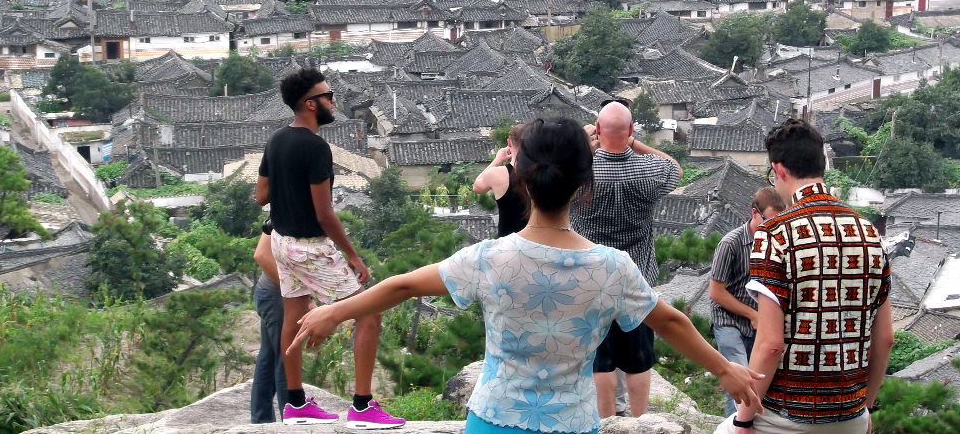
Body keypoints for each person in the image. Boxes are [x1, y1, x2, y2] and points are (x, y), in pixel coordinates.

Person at [288, 116, 764, 434]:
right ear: (586, 183)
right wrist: (725, 369)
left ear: (520, 173)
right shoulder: (613, 267)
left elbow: (404, 285)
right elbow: (673, 323)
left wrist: (335, 310)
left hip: (494, 417)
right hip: (572, 421)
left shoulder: (488, 257)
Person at [717, 118, 894, 434]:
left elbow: (770, 344)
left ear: (779, 170)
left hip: (785, 416)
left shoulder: (775, 234)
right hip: (852, 415)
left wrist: (744, 419)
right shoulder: (869, 234)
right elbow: (885, 338)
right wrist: (864, 411)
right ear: (822, 164)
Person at [256, 67, 404, 429]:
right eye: (327, 95)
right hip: (311, 247)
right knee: (369, 312)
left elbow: (262, 195)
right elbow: (324, 214)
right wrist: (352, 254)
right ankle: (363, 406)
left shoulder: (277, 139)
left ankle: (294, 404)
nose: (333, 101)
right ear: (310, 104)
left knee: (294, 317)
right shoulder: (316, 147)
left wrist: (288, 190)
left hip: (280, 242)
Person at [572, 100, 682, 418]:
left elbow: (552, 168)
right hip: (638, 277)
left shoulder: (581, 175)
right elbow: (674, 167)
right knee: (638, 356)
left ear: (599, 128)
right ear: (631, 130)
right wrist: (634, 142)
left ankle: (606, 422)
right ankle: (639, 421)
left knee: (601, 357)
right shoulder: (650, 171)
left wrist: (583, 140)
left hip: (591, 278)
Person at [708, 187, 785, 417]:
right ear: (754, 213)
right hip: (728, 319)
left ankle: (750, 423)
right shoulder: (730, 243)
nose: (774, 227)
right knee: (739, 374)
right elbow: (716, 292)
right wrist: (752, 315)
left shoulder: (776, 245)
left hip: (759, 323)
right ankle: (736, 425)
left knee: (760, 376)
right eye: (769, 220)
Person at [251, 230, 291, 424]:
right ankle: (291, 417)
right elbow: (261, 255)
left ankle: (261, 420)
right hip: (277, 297)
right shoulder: (286, 210)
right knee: (286, 358)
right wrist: (297, 291)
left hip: (272, 294)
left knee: (268, 357)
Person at [472, 123, 530, 237]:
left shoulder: (497, 174)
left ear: (509, 142)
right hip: (538, 243)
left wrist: (497, 160)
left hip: (508, 243)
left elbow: (477, 186)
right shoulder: (543, 173)